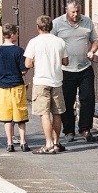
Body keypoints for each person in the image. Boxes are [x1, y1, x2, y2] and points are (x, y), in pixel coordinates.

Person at [52, 0, 98, 143]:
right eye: (72, 12)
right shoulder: (57, 23)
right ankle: (69, 131)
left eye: (77, 11)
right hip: (66, 69)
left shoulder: (87, 22)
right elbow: (51, 41)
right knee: (67, 100)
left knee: (87, 99)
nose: (75, 14)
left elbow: (95, 40)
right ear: (66, 10)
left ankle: (85, 129)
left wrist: (92, 50)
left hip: (84, 67)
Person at [24, 14, 68, 154]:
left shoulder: (34, 42)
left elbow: (28, 63)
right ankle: (56, 142)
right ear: (51, 27)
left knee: (44, 113)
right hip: (56, 80)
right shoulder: (60, 42)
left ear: (38, 28)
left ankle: (48, 144)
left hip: (41, 81)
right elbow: (66, 61)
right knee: (57, 113)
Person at [0, 23, 29, 152]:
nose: (17, 36)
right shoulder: (18, 51)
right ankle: (23, 142)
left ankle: (9, 142)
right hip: (17, 85)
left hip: (2, 87)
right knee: (20, 115)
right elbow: (23, 70)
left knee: (6, 117)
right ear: (12, 35)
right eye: (16, 34)